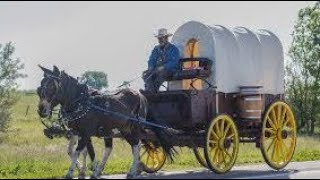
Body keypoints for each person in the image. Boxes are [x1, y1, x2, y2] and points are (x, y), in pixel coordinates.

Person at [143, 28, 180, 93]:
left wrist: (163, 67)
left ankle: (152, 92)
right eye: (159, 38)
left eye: (161, 38)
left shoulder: (173, 49)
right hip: (157, 70)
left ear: (166, 38)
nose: (160, 40)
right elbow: (151, 60)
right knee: (146, 74)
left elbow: (174, 62)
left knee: (161, 74)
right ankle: (149, 90)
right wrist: (150, 67)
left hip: (171, 70)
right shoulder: (156, 49)